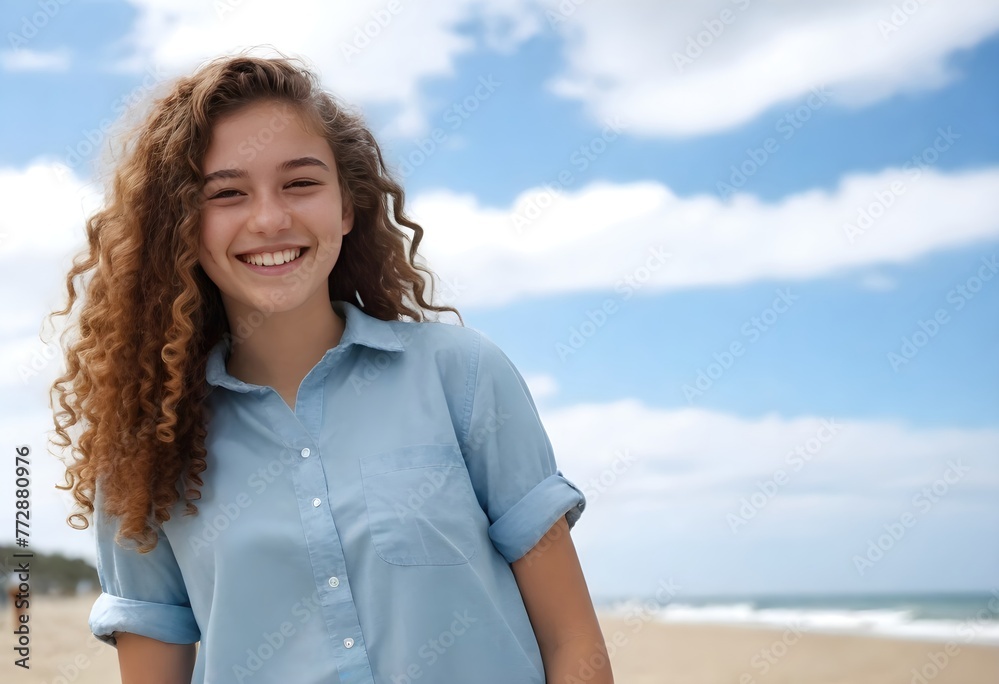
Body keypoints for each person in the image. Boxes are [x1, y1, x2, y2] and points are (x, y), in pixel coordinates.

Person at [47, 51, 614, 683]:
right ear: (182, 226)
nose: (269, 219)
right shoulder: (145, 449)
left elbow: (573, 645)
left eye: (300, 183)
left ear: (347, 206)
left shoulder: (463, 375)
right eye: (227, 193)